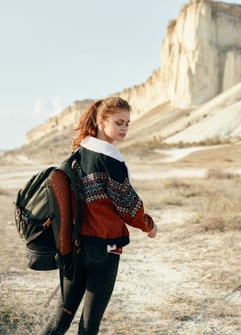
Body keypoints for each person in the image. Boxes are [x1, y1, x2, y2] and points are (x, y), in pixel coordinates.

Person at [40, 96, 158, 335]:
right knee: (89, 325)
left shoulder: (77, 154)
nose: (124, 128)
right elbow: (128, 206)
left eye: (127, 123)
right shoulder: (110, 159)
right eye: (119, 122)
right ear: (102, 121)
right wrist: (149, 225)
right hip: (105, 250)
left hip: (75, 248)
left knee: (59, 321)